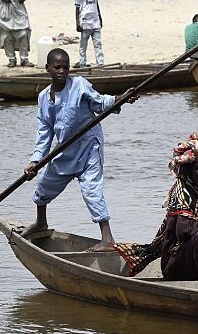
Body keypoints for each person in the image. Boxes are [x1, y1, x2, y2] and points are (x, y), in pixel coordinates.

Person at [20, 48, 135, 252]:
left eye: (66, 67)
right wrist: (36, 161)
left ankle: (107, 239)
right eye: (57, 67)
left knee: (91, 190)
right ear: (47, 69)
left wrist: (120, 98)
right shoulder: (43, 97)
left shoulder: (79, 85)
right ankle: (41, 223)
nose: (62, 71)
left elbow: (100, 103)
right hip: (65, 149)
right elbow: (44, 131)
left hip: (89, 146)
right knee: (45, 185)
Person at [113, 133, 198, 288]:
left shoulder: (193, 191)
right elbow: (184, 231)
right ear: (187, 172)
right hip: (173, 264)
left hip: (186, 258)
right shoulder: (181, 193)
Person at [74, 0, 104, 68]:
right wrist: (78, 23)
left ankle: (100, 63)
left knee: (98, 44)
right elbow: (77, 8)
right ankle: (82, 63)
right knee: (83, 45)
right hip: (85, 22)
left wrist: (100, 17)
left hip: (95, 21)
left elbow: (96, 3)